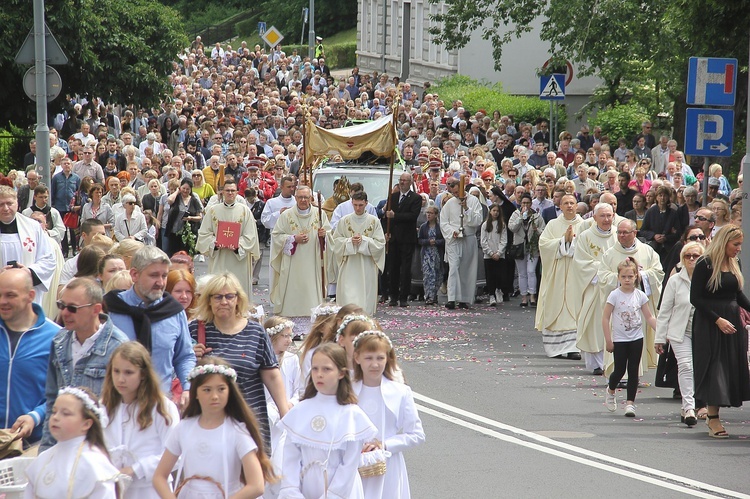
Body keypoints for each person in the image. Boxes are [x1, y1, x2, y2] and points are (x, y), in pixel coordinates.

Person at [189, 272, 289, 449]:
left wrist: (285, 412)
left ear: (238, 299)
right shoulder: (195, 331)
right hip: (210, 420)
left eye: (229, 296)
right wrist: (191, 357)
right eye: (218, 297)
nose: (224, 302)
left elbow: (271, 375)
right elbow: (182, 369)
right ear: (208, 300)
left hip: (249, 419)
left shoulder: (255, 332)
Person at [153, 357, 275, 498]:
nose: (215, 396)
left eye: (221, 389)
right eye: (207, 390)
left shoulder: (236, 431)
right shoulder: (183, 428)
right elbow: (159, 476)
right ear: (196, 393)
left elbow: (256, 485)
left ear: (230, 391)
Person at [40, 277, 130, 451]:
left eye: (73, 308)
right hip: (63, 446)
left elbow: (124, 409)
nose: (65, 313)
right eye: (61, 305)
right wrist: (46, 449)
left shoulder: (118, 346)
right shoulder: (59, 341)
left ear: (96, 309)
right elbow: (52, 399)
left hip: (99, 447)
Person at [278, 343, 377, 499]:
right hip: (304, 489)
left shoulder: (351, 415)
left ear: (341, 373)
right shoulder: (300, 411)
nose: (319, 374)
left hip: (340, 491)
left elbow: (349, 465)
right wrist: (292, 492)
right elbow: (290, 459)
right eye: (315, 369)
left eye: (326, 369)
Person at [105, 246, 196, 402]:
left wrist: (188, 388)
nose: (160, 283)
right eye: (154, 275)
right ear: (134, 274)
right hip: (117, 404)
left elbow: (184, 356)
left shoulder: (173, 311)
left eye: (164, 275)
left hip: (159, 404)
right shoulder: (110, 309)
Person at [690, 225, 750, 438]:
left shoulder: (735, 262)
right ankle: (713, 418)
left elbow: (738, 295)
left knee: (730, 366)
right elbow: (695, 298)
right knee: (715, 368)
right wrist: (717, 320)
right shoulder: (705, 264)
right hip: (710, 322)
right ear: (724, 243)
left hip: (732, 320)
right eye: (735, 244)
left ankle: (715, 414)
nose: (738, 249)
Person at [101, 342, 180, 497]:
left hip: (149, 490)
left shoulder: (162, 408)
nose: (120, 379)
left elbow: (176, 455)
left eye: (128, 373)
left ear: (143, 374)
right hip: (113, 489)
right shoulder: (104, 405)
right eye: (116, 371)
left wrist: (136, 469)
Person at [352, 331, 425, 499]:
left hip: (388, 465)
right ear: (357, 358)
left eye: (380, 358)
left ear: (388, 358)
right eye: (368, 358)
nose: (375, 364)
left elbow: (416, 434)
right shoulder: (347, 390)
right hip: (353, 463)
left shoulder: (400, 392)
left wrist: (385, 445)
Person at [0, 269, 61, 444]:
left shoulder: (56, 337)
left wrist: (35, 417)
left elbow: (64, 390)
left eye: (10, 295)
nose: (3, 301)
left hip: (33, 444)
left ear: (31, 295)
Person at [25, 387, 120, 497]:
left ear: (86, 424)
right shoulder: (43, 459)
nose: (56, 417)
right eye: (54, 412)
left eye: (65, 413)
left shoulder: (94, 465)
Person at [598, 219, 664, 376]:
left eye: (625, 232)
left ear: (634, 233)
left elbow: (659, 272)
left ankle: (633, 376)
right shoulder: (609, 254)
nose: (621, 235)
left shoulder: (647, 251)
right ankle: (618, 374)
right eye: (619, 232)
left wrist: (641, 275)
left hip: (638, 303)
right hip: (619, 306)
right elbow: (602, 276)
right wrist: (621, 277)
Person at [655, 242, 705, 427]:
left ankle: (695, 405)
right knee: (685, 366)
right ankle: (689, 407)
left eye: (696, 256)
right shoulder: (675, 280)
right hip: (680, 332)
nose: (691, 259)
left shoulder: (708, 279)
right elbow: (665, 310)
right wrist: (660, 338)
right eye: (687, 256)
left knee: (700, 370)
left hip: (703, 332)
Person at [602, 257, 658, 418]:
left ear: (636, 277)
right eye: (624, 277)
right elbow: (605, 317)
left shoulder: (640, 295)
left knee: (633, 371)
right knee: (619, 370)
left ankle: (630, 404)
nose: (627, 280)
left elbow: (649, 316)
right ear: (618, 277)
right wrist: (608, 340)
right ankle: (611, 390)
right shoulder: (614, 295)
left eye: (630, 277)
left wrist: (661, 333)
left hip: (636, 338)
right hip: (620, 339)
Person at [270, 185, 331, 324]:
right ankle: (292, 322)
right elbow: (277, 236)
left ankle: (312, 323)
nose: (303, 200)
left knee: (312, 292)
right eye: (300, 197)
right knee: (292, 292)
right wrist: (293, 239)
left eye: (306, 197)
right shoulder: (286, 215)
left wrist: (324, 235)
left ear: (311, 198)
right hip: (293, 262)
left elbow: (330, 237)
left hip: (313, 260)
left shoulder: (320, 214)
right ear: (295, 198)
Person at [535, 193, 584, 359]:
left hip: (576, 275)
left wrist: (573, 242)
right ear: (560, 206)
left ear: (577, 206)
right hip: (556, 274)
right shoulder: (553, 224)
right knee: (555, 304)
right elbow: (543, 244)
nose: (569, 206)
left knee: (575, 309)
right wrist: (563, 241)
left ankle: (573, 348)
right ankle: (556, 348)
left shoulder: (584, 225)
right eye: (566, 203)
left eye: (572, 203)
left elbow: (587, 248)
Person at [196, 178, 260, 298]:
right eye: (227, 190)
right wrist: (215, 243)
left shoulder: (245, 211)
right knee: (218, 289)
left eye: (233, 190)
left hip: (238, 259)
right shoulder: (212, 211)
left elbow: (250, 236)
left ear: (237, 192)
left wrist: (236, 245)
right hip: (219, 257)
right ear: (222, 192)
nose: (230, 193)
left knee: (238, 290)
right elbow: (204, 234)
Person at [573, 203, 618, 374]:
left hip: (616, 287)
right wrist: (606, 271)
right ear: (594, 217)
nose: (606, 219)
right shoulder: (585, 236)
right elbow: (581, 263)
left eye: (609, 215)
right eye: (602, 216)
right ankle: (597, 364)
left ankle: (614, 361)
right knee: (594, 324)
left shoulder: (618, 234)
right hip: (595, 287)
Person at [0, 185, 57, 305]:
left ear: (17, 203)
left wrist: (28, 273)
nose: (5, 208)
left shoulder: (33, 227)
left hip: (27, 294)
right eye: (1, 204)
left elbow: (49, 259)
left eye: (9, 203)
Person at [331, 191, 386, 315]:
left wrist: (364, 241)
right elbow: (336, 242)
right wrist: (349, 242)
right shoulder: (344, 221)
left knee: (365, 297)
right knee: (348, 295)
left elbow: (380, 244)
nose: (358, 208)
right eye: (355, 205)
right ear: (352, 203)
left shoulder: (374, 221)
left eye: (360, 205)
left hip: (366, 266)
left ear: (366, 203)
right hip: (349, 265)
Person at [440, 180, 484, 309]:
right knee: (454, 267)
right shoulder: (449, 203)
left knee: (466, 268)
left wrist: (466, 209)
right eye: (452, 192)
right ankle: (452, 298)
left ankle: (464, 298)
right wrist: (451, 232)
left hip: (468, 238)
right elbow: (443, 222)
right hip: (453, 240)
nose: (454, 195)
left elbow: (477, 221)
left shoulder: (474, 201)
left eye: (456, 191)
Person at [385, 173, 422, 307]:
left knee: (406, 269)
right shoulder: (393, 196)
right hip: (394, 238)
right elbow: (387, 216)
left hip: (407, 238)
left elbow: (412, 216)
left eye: (405, 181)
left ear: (410, 182)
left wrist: (396, 216)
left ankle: (403, 297)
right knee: (393, 268)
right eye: (400, 180)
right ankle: (393, 296)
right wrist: (386, 231)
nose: (402, 183)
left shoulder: (415, 198)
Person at [508, 194, 545, 307]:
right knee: (522, 273)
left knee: (531, 271)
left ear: (531, 204)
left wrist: (536, 229)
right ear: (520, 203)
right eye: (523, 203)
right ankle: (524, 297)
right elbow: (512, 228)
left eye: (527, 203)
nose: (525, 205)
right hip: (519, 247)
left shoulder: (536, 216)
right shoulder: (515, 214)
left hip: (532, 247)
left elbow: (543, 231)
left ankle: (532, 295)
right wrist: (520, 217)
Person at [481, 203, 508, 306]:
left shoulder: (502, 225)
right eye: (494, 211)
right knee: (490, 275)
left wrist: (499, 252)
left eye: (497, 211)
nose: (495, 213)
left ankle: (498, 289)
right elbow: (483, 241)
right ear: (490, 212)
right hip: (489, 255)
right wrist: (490, 253)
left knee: (500, 274)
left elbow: (504, 240)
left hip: (499, 254)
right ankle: (491, 294)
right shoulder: (485, 225)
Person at [417, 205, 444, 306]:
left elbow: (443, 240)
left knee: (437, 275)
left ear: (436, 215)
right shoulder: (424, 227)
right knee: (428, 275)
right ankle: (428, 296)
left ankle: (434, 294)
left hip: (437, 254)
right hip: (427, 254)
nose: (428, 215)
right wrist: (428, 241)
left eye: (431, 213)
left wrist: (436, 242)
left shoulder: (439, 227)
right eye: (427, 213)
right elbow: (419, 240)